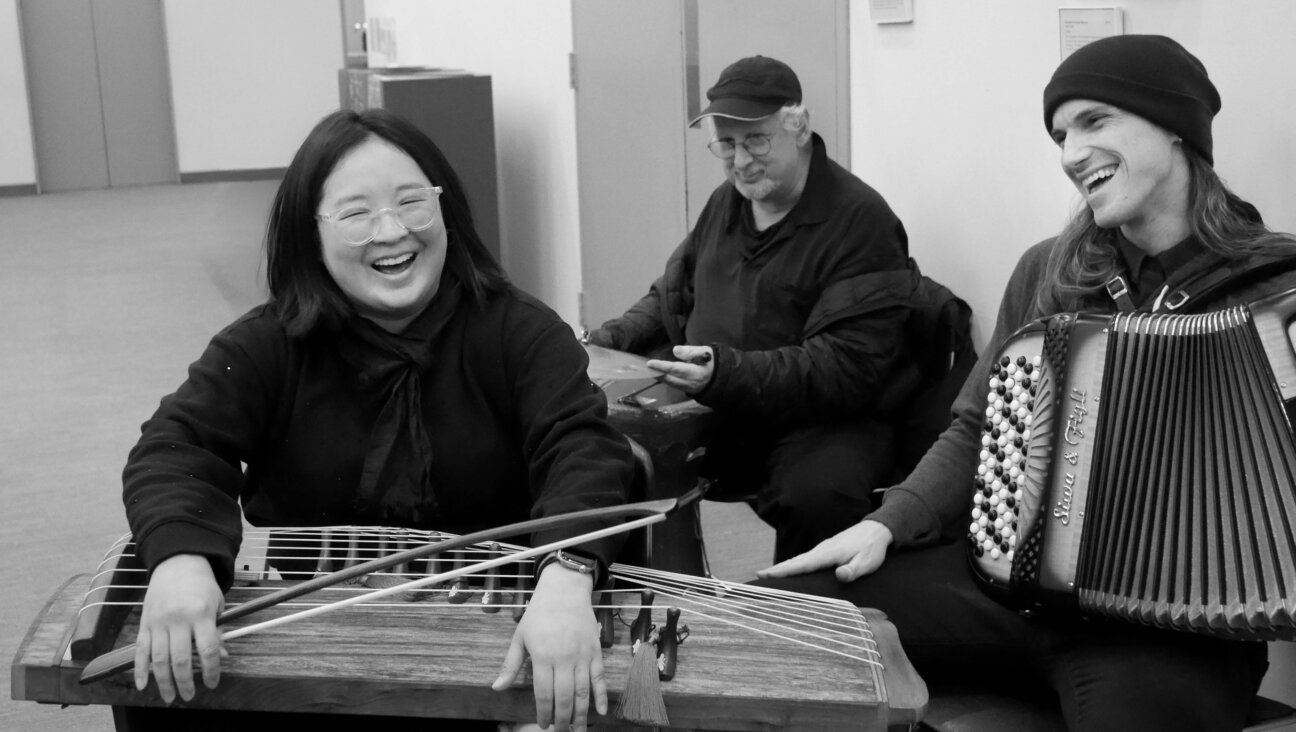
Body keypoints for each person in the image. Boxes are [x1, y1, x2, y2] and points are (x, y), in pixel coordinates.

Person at [757, 35, 1296, 732]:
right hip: (1010, 588)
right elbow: (980, 425)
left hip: (1177, 631)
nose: (1071, 153)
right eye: (1061, 133)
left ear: (1177, 127)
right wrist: (885, 524)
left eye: (1095, 121)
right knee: (772, 616)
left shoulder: (1277, 288)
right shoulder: (1053, 271)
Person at [116, 108, 634, 732]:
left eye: (412, 202)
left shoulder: (519, 331)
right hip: (315, 631)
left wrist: (566, 575)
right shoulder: (269, 344)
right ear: (311, 233)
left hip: (490, 629)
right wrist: (181, 561)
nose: (391, 232)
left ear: (446, 208)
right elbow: (174, 447)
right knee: (162, 684)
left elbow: (582, 445)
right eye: (356, 213)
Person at [586, 55, 917, 563]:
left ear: (799, 128)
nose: (741, 161)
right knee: (605, 446)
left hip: (821, 418)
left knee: (818, 493)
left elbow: (845, 369)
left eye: (756, 140)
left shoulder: (860, 222)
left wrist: (725, 372)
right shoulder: (728, 202)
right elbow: (672, 294)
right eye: (728, 145)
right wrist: (605, 342)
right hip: (723, 401)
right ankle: (635, 601)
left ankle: (807, 624)